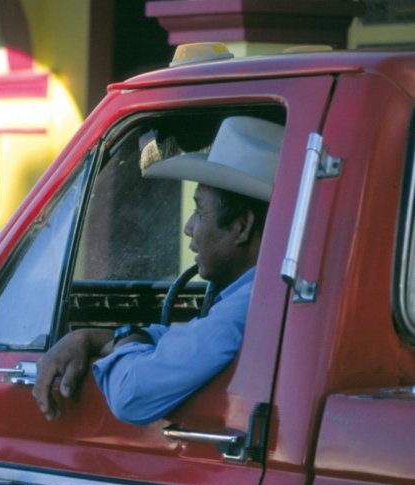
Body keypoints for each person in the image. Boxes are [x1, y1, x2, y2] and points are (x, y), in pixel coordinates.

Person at [33, 115, 284, 424]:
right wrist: (93, 337)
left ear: (242, 226)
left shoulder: (246, 309)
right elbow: (184, 342)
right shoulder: (262, 295)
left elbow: (130, 394)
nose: (189, 228)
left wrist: (122, 342)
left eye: (199, 211)